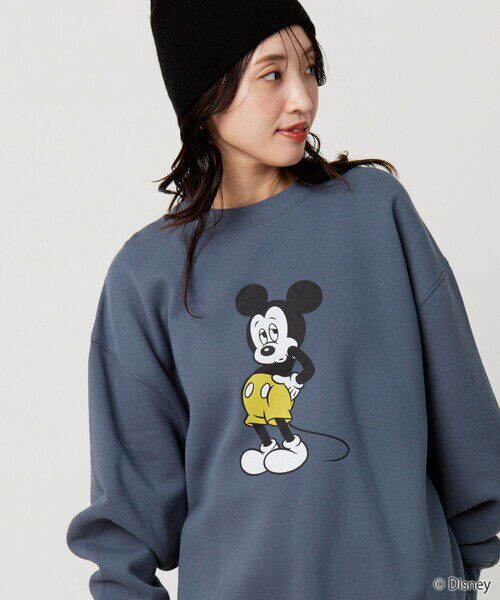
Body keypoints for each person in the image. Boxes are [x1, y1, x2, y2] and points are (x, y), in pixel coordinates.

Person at [67, 1, 500, 598]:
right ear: (205, 94)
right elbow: (127, 523)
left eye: (310, 68)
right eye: (272, 74)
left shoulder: (374, 212)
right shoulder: (148, 275)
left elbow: (466, 424)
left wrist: (458, 581)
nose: (303, 98)